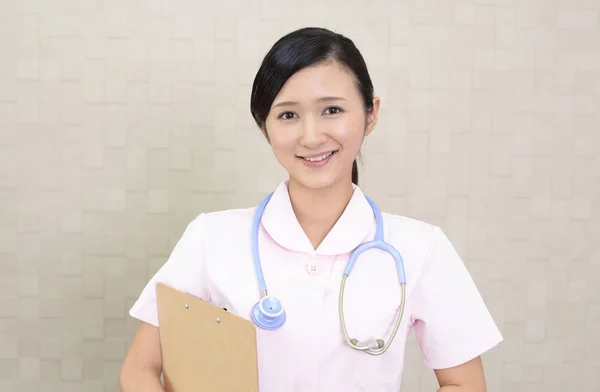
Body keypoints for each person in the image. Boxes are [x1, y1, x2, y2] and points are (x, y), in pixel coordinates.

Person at [119, 27, 503, 392]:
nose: (311, 136)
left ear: (371, 113)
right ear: (264, 126)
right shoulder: (211, 238)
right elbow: (140, 368)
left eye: (332, 110)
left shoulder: (422, 248)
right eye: (288, 115)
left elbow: (464, 382)